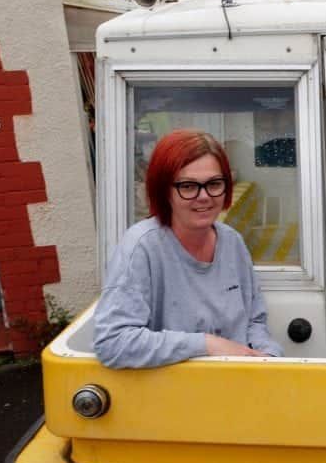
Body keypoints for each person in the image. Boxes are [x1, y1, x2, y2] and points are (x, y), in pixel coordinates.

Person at [94, 129, 283, 368]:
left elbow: (254, 321)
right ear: (164, 191)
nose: (203, 197)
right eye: (188, 186)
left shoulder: (232, 241)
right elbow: (113, 342)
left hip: (237, 385)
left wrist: (268, 356)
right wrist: (207, 344)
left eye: (214, 184)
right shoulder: (141, 247)